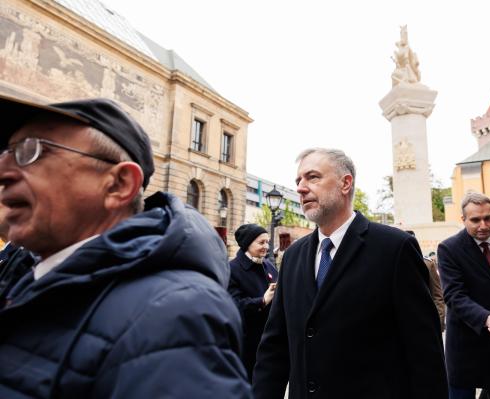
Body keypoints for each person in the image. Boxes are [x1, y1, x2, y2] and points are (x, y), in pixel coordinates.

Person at [0, 94, 251, 398]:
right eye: (5, 153)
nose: (4, 172)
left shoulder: (172, 313)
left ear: (119, 185)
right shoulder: (29, 280)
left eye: (33, 151)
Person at [252, 148, 447, 398]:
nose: (301, 188)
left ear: (345, 184)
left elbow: (424, 351)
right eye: (298, 180)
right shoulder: (293, 256)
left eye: (312, 177)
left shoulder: (394, 248)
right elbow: (274, 348)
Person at [437, 192, 490, 399]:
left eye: (488, 218)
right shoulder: (449, 249)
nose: (483, 225)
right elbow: (454, 296)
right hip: (467, 346)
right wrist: (487, 320)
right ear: (463, 220)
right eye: (475, 220)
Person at [228, 223, 279, 381]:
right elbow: (233, 306)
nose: (266, 247)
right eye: (261, 242)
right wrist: (262, 300)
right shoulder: (232, 269)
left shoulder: (269, 266)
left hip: (270, 344)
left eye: (267, 242)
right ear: (247, 244)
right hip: (247, 347)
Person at [406, 230, 446, 331]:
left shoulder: (428, 264)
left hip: (425, 321)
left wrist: (439, 323)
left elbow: (437, 296)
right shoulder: (393, 264)